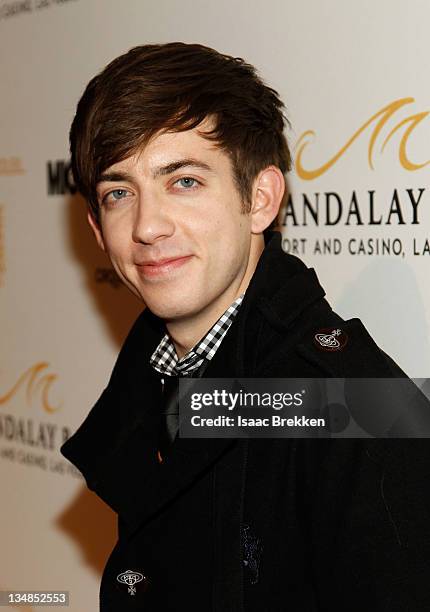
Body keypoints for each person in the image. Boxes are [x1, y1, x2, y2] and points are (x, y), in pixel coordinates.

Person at [61, 43, 430, 611]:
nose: (147, 226)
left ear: (260, 200)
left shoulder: (360, 411)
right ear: (95, 227)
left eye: (183, 180)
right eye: (119, 193)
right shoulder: (151, 372)